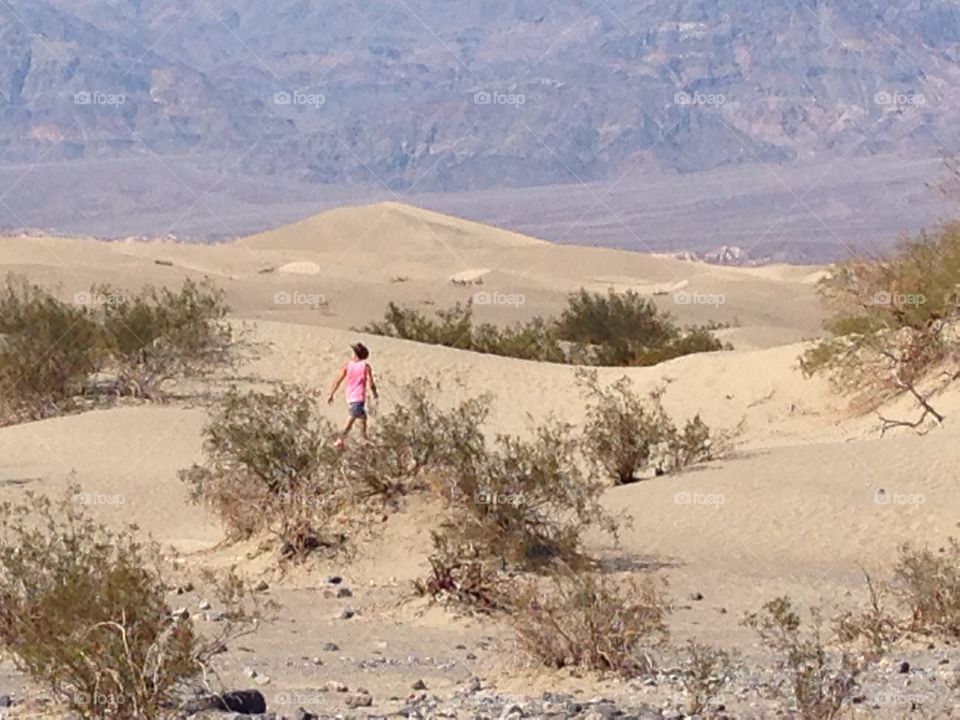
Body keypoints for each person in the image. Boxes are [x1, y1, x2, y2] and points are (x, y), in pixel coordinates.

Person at [327, 342, 378, 448]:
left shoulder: (348, 366)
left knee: (363, 417)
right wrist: (375, 393)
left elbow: (338, 380)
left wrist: (332, 393)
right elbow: (371, 383)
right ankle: (340, 440)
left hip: (351, 396)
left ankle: (363, 437)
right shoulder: (365, 366)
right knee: (352, 418)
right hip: (358, 397)